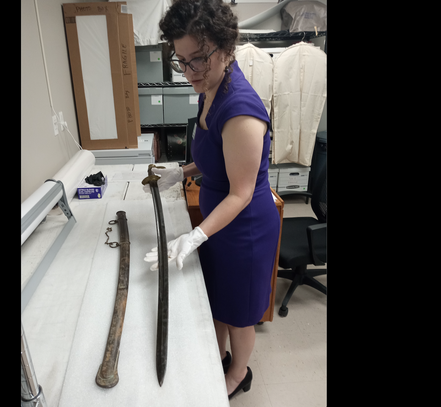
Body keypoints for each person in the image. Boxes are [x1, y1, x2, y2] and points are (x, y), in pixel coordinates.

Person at [143, 0, 280, 400]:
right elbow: (214, 157)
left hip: (244, 227)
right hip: (217, 218)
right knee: (216, 299)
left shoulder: (240, 110)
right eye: (181, 61)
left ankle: (238, 373)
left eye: (198, 60)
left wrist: (196, 234)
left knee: (238, 313)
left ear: (225, 48)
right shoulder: (209, 87)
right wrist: (181, 172)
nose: (189, 73)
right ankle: (212, 357)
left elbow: (241, 191)